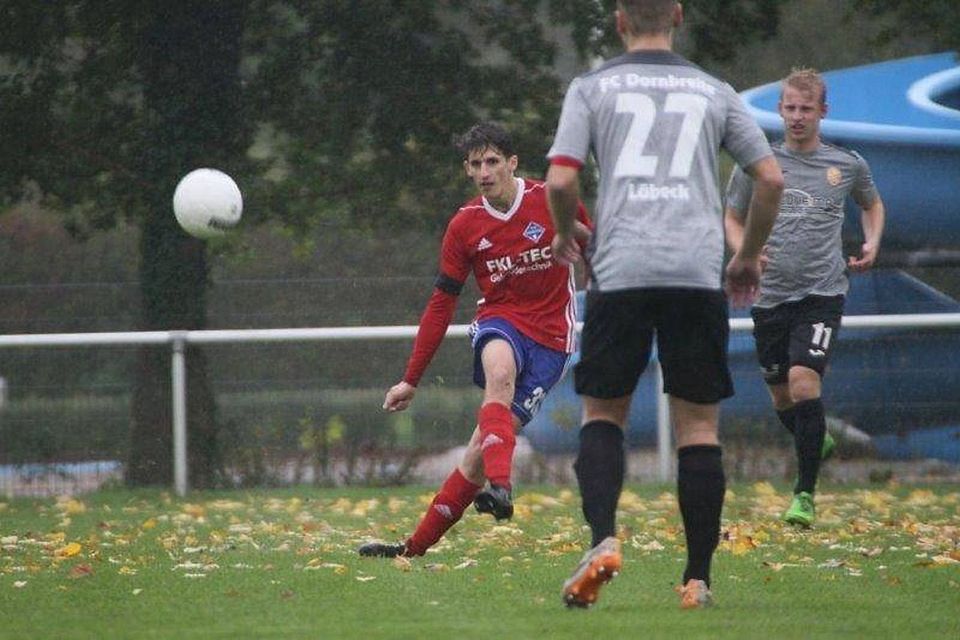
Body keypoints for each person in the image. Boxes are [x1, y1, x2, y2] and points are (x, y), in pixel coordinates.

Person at [545, 0, 784, 609]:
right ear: (677, 16)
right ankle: (697, 579)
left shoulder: (591, 88)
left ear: (620, 21)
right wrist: (747, 256)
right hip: (694, 271)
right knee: (698, 427)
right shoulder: (715, 90)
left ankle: (603, 540)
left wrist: (566, 232)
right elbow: (771, 178)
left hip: (621, 268)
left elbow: (561, 179)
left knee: (604, 414)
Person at [358, 122, 591, 559]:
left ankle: (413, 549)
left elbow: (593, 245)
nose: (484, 172)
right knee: (499, 374)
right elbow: (441, 304)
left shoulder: (551, 200)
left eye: (492, 161)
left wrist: (599, 279)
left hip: (553, 339)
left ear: (512, 163)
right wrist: (411, 379)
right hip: (501, 320)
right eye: (475, 164)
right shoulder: (465, 226)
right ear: (467, 170)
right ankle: (502, 488)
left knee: (475, 458)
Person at [724, 68, 885, 528]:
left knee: (803, 383)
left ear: (822, 112)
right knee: (782, 399)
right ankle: (817, 439)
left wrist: (872, 241)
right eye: (790, 108)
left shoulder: (846, 165)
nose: (797, 116)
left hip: (822, 293)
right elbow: (731, 218)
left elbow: (872, 204)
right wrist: (745, 251)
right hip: (769, 296)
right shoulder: (758, 166)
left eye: (806, 109)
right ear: (779, 110)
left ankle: (804, 496)